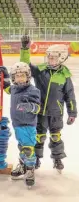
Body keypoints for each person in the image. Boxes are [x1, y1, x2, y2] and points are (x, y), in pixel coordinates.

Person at [20, 36, 77, 173]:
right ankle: (37, 158)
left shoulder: (64, 76)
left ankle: (57, 158)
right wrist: (25, 49)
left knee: (56, 136)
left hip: (56, 113)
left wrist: (72, 113)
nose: (50, 60)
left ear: (61, 58)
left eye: (53, 58)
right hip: (40, 111)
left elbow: (70, 96)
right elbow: (25, 65)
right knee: (39, 136)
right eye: (49, 57)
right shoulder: (41, 71)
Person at [7, 62, 41, 188]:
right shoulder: (14, 88)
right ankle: (22, 165)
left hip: (28, 124)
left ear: (28, 76)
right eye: (17, 76)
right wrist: (4, 76)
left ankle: (30, 169)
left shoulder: (33, 90)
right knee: (22, 146)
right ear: (13, 78)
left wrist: (29, 106)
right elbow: (6, 88)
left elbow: (37, 108)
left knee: (28, 148)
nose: (20, 78)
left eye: (22, 75)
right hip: (17, 124)